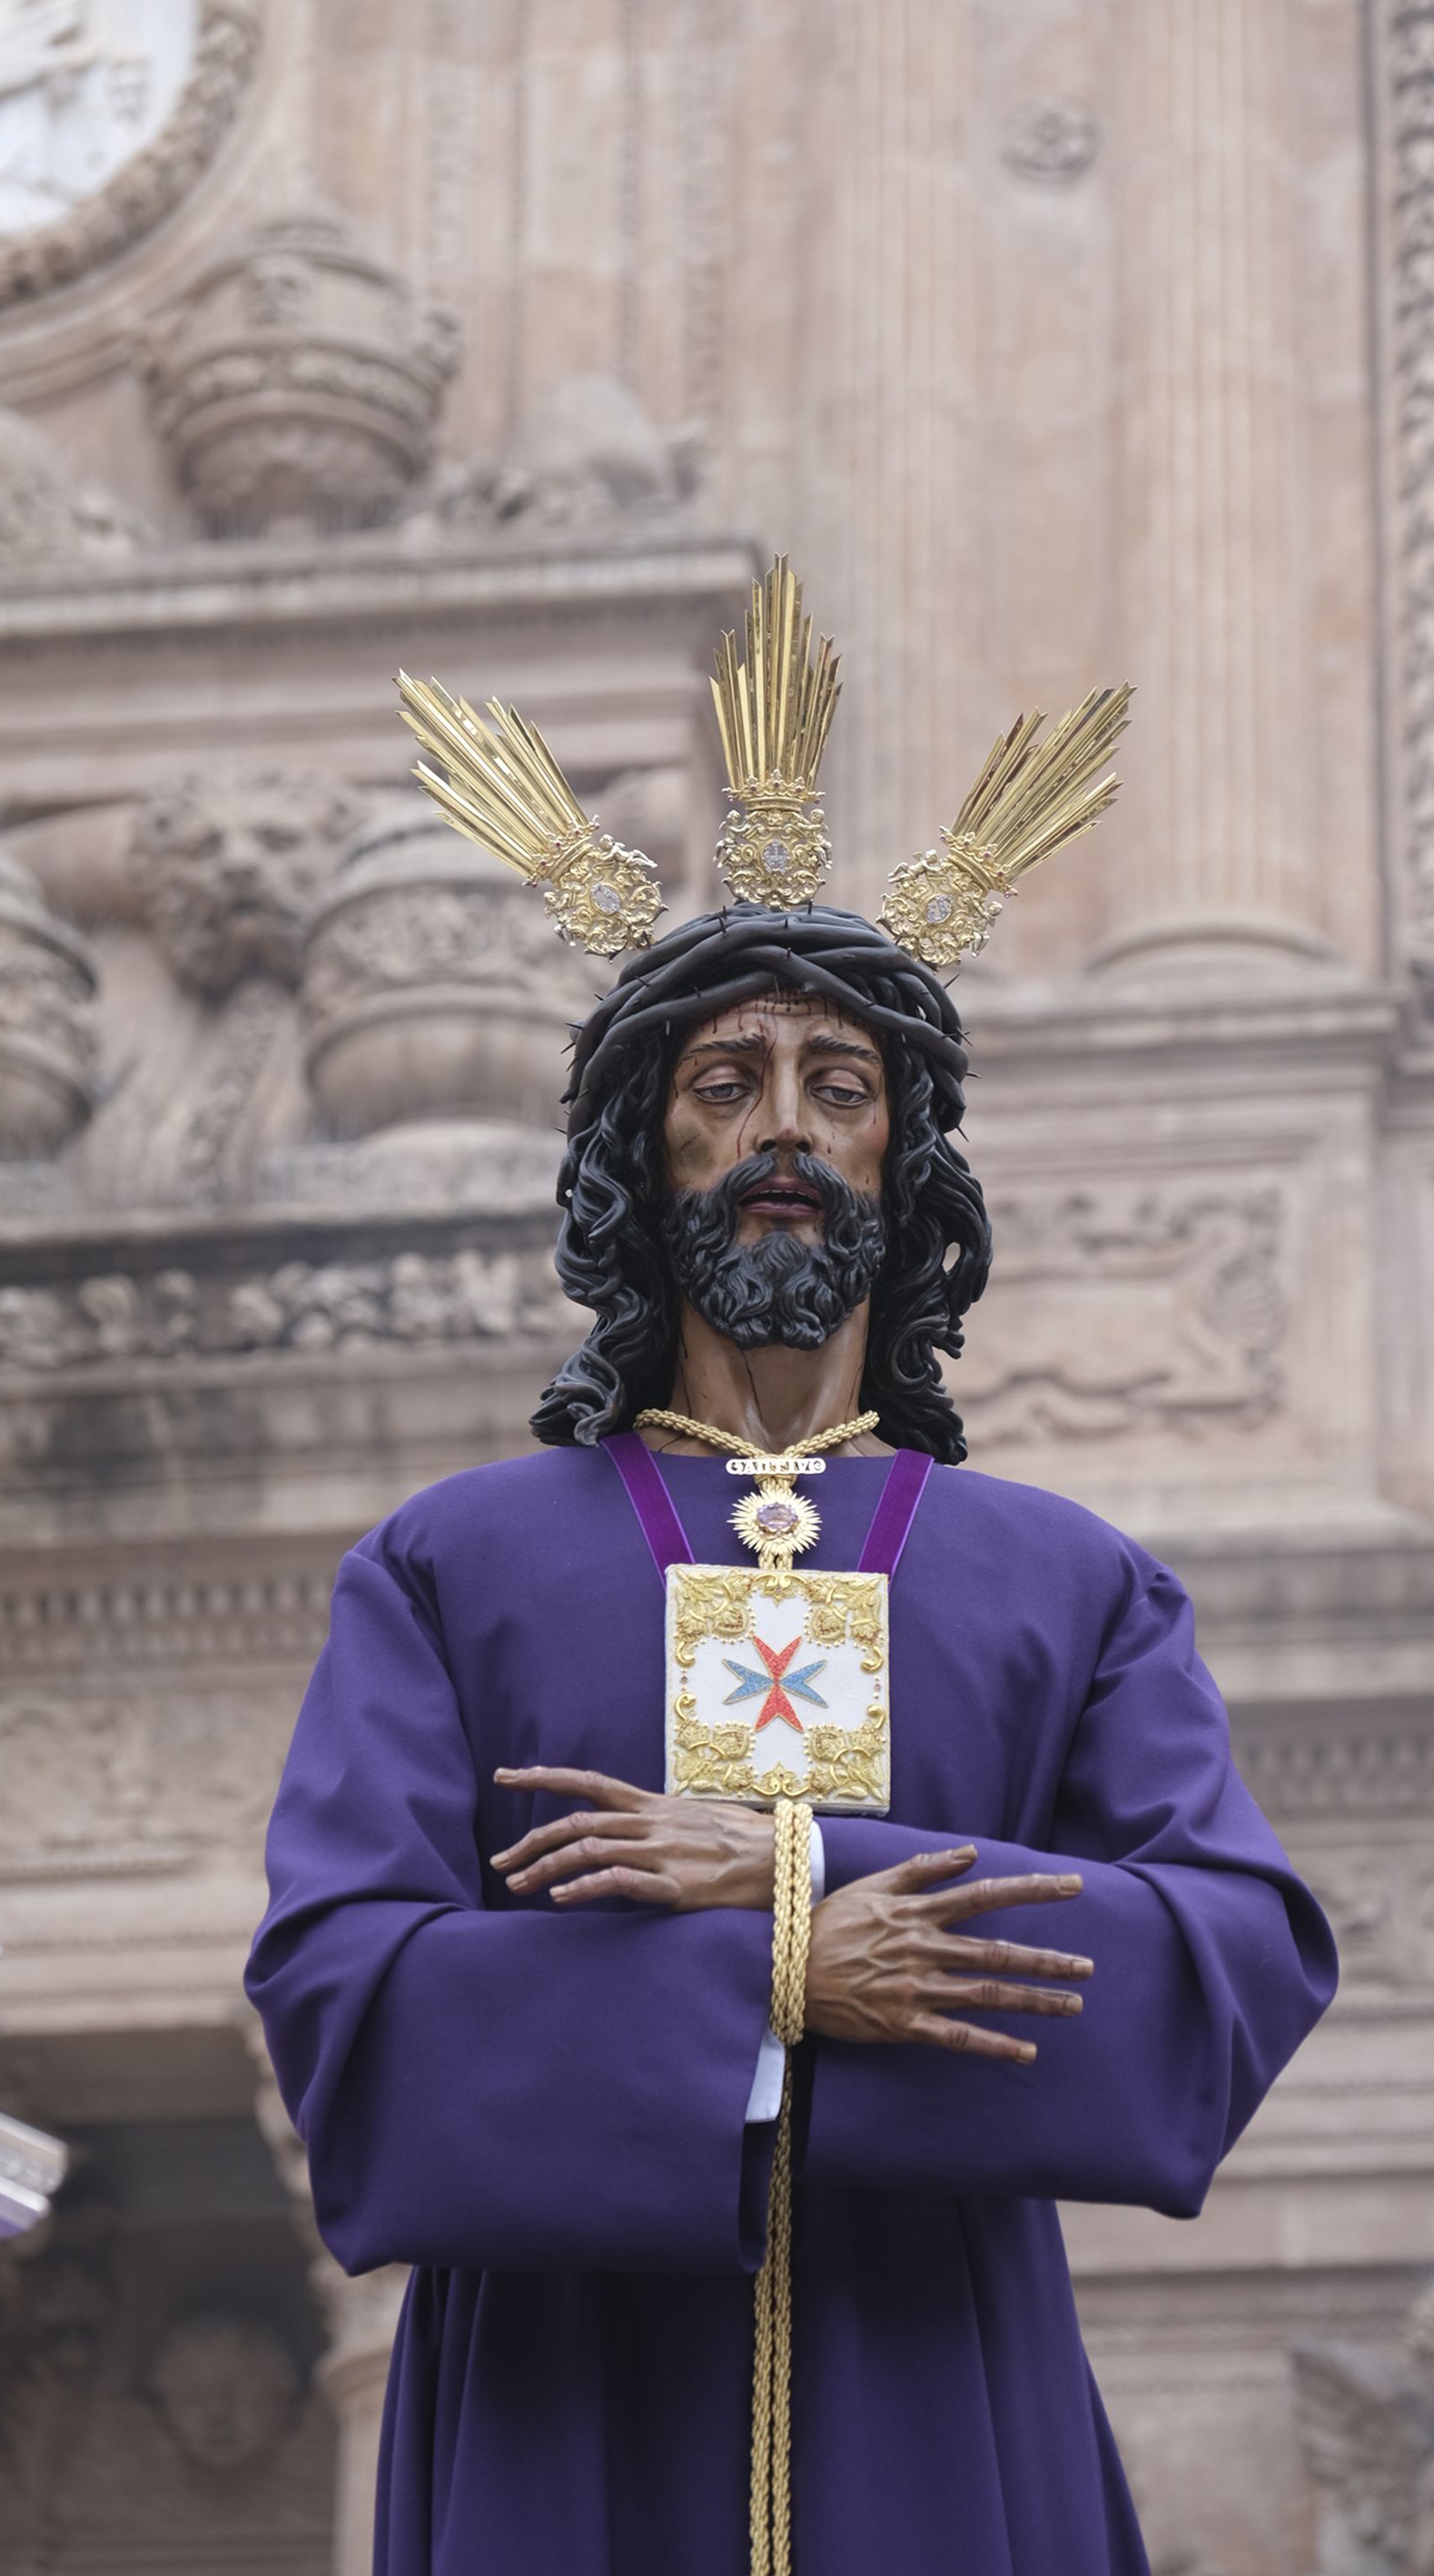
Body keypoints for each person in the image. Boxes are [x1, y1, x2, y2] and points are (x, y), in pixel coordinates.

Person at [246, 563, 1337, 2576]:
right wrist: (763, 1995)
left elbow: (1230, 1959)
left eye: (838, 1091)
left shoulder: (1069, 1584)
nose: (783, 1130)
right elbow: (344, 2006)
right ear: (635, 1160)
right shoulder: (448, 1566)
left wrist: (784, 1882)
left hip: (939, 2381)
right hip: (559, 2415)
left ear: (898, 1165)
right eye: (721, 1085)